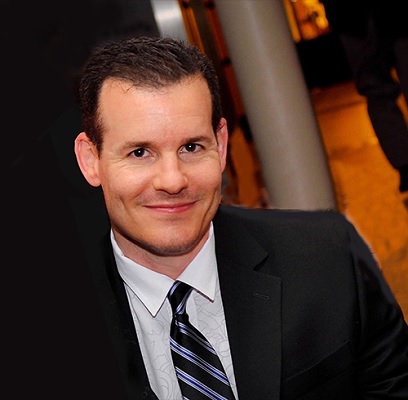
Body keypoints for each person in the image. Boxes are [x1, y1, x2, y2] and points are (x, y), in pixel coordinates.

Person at [73, 35, 408, 399]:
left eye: (191, 147)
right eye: (140, 152)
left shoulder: (329, 258)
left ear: (220, 145)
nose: (173, 180)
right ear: (91, 160)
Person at [320, 0, 408, 198]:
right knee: (375, 87)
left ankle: (404, 162)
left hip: (354, 16)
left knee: (375, 89)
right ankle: (404, 162)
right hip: (352, 18)